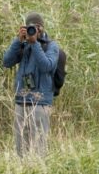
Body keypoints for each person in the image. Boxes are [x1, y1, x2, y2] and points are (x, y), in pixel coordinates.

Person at [3, 12, 59, 158]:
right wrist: (17, 41)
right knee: (21, 147)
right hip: (21, 101)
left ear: (43, 27)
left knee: (39, 148)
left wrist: (35, 44)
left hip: (40, 103)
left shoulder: (51, 46)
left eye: (38, 26)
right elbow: (6, 62)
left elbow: (46, 66)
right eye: (31, 27)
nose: (35, 30)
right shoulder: (23, 45)